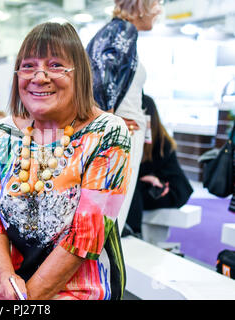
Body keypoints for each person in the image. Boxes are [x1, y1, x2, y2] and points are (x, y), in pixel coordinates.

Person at [0, 21, 131, 301]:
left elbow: (85, 238)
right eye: (28, 66)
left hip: (81, 285)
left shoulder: (108, 133)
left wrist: (23, 301)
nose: (39, 77)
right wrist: (5, 280)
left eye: (55, 65)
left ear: (79, 74)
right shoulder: (4, 134)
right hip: (13, 280)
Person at [86, 0, 163, 233]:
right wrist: (110, 121)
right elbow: (101, 80)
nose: (159, 9)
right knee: (111, 214)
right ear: (141, 5)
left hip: (121, 130)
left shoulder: (115, 30)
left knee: (108, 211)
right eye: (157, 2)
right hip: (123, 134)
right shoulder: (123, 30)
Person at [124, 94, 193, 237]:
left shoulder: (160, 143)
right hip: (156, 185)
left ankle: (134, 231)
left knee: (132, 189)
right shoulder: (151, 139)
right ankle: (132, 230)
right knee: (132, 186)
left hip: (171, 191)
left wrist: (148, 178)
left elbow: (138, 171)